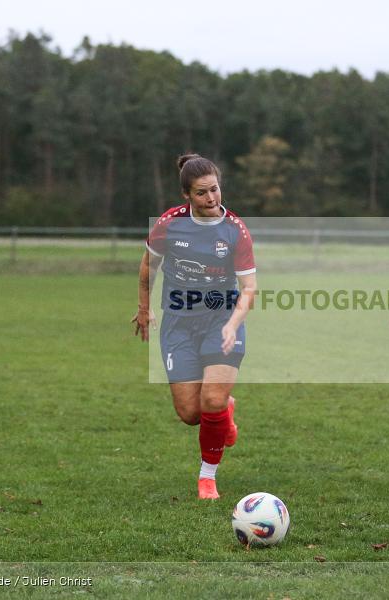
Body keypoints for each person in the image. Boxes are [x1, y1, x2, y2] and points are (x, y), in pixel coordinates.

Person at [132, 153, 257, 499]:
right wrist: (144, 309)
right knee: (190, 413)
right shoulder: (169, 224)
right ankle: (225, 412)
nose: (211, 198)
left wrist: (233, 324)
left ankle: (207, 478)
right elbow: (148, 268)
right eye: (202, 193)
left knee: (211, 399)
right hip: (179, 324)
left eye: (214, 189)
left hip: (221, 320)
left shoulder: (235, 230)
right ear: (187, 195)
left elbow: (249, 288)